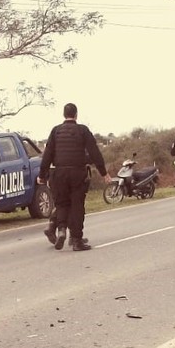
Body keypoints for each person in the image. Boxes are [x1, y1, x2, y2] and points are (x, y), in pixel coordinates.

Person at [37, 102, 109, 251]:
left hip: (59, 173)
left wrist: (42, 175)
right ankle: (76, 240)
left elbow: (48, 155)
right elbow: (95, 152)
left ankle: (61, 230)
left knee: (62, 204)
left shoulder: (55, 131)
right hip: (77, 173)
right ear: (76, 115)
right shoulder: (82, 130)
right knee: (77, 206)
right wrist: (104, 173)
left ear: (64, 115)